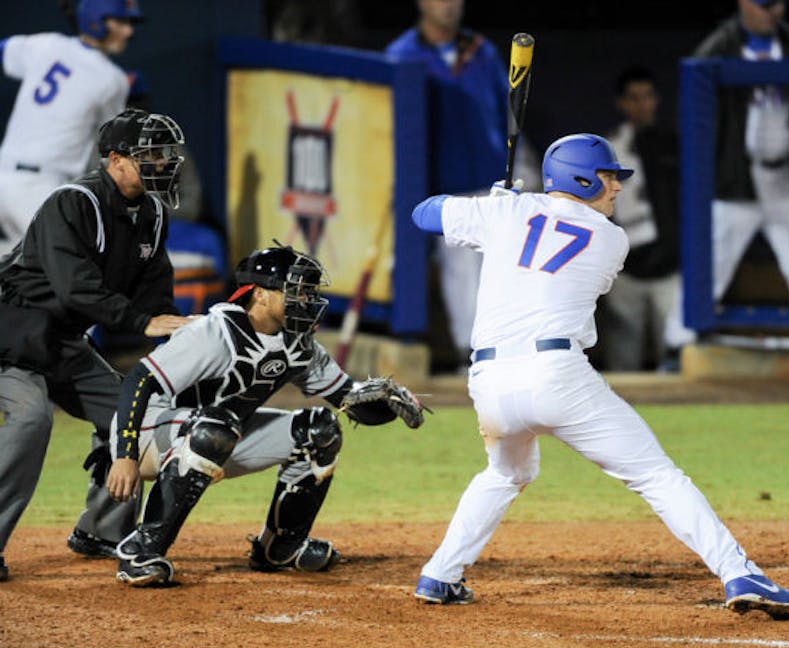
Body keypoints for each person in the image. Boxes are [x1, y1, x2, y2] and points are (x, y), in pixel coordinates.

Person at [408, 133, 789, 619]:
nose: (617, 187)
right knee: (656, 474)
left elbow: (423, 212)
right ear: (579, 178)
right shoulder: (610, 240)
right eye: (608, 177)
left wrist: (491, 205)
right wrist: (509, 209)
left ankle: (440, 573)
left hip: (490, 383)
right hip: (556, 377)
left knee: (506, 472)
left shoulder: (506, 213)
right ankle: (738, 571)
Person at [106, 243, 427, 586]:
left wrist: (391, 404)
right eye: (296, 290)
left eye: (307, 292)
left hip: (218, 435)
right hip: (146, 434)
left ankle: (281, 546)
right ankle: (140, 551)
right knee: (217, 427)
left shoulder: (298, 343)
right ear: (259, 294)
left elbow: (348, 401)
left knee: (320, 430)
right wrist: (125, 455)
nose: (304, 300)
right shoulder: (214, 332)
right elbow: (140, 380)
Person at [0, 107, 190, 583]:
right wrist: (142, 321)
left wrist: (186, 336)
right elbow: (75, 288)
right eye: (150, 154)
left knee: (135, 413)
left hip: (61, 342)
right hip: (11, 333)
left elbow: (155, 297)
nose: (163, 163)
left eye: (166, 154)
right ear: (116, 159)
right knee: (31, 419)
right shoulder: (75, 202)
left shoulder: (151, 214)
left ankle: (103, 529)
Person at [671, 0, 789, 351]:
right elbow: (692, 101)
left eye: (777, 4)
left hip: (787, 180)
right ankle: (678, 345)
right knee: (708, 268)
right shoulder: (720, 45)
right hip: (738, 179)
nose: (772, 12)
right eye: (764, 5)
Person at [385, 0, 510, 369]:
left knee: (500, 271)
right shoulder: (401, 53)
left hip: (490, 180)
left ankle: (500, 353)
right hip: (441, 187)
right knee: (460, 274)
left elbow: (506, 109)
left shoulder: (481, 49)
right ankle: (471, 356)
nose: (450, 5)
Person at [0, 0, 144, 257]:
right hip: (38, 187)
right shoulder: (113, 79)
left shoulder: (48, 44)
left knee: (24, 273)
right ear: (96, 19)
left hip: (7, 175)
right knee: (77, 269)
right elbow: (115, 144)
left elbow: (4, 50)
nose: (129, 32)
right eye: (121, 22)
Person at [602, 65, 684, 372]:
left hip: (670, 270)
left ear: (657, 100)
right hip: (625, 270)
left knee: (676, 356)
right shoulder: (609, 149)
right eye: (634, 98)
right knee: (623, 363)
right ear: (622, 103)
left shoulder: (674, 144)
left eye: (647, 96)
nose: (641, 104)